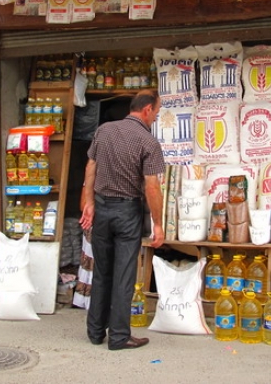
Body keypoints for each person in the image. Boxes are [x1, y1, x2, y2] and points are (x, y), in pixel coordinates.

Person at [79, 89, 165, 351]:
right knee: (124, 276)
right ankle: (118, 337)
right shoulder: (148, 142)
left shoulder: (104, 130)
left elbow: (90, 168)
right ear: (147, 109)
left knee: (102, 272)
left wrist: (89, 203)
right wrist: (158, 224)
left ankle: (95, 332)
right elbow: (152, 187)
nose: (155, 119)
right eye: (156, 113)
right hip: (127, 211)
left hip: (102, 210)